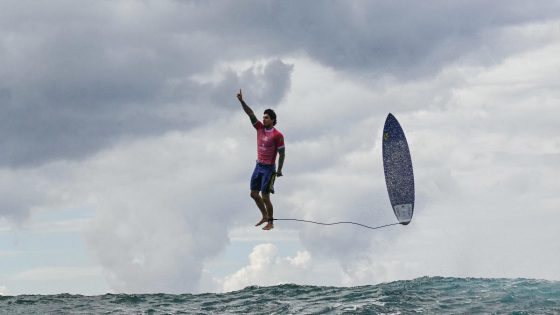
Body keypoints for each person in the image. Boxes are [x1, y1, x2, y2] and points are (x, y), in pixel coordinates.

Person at [236, 89, 285, 230]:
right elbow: (250, 114)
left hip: (269, 169)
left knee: (265, 196)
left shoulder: (277, 135)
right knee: (253, 194)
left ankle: (271, 222)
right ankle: (264, 215)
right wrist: (242, 101)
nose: (264, 119)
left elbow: (282, 154)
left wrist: (280, 170)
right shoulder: (259, 128)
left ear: (273, 120)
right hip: (258, 166)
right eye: (263, 117)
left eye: (267, 118)